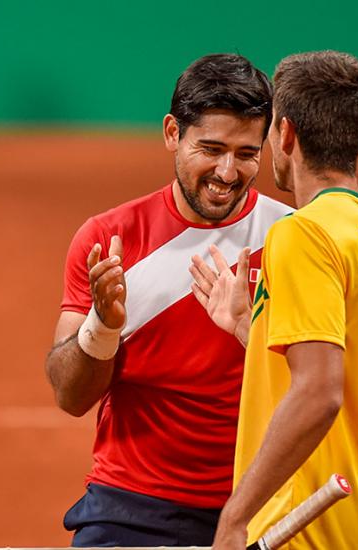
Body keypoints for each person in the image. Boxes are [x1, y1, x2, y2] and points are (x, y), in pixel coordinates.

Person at [44, 54, 293, 547]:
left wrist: (253, 330)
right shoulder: (110, 238)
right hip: (132, 505)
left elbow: (320, 388)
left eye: (246, 153)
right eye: (211, 148)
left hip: (258, 500)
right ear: (172, 133)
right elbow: (70, 396)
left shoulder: (292, 239)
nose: (227, 172)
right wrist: (103, 326)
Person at [191, 51, 358, 549]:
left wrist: (235, 517)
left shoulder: (302, 235)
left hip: (306, 532)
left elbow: (320, 392)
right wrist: (249, 329)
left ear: (285, 134)